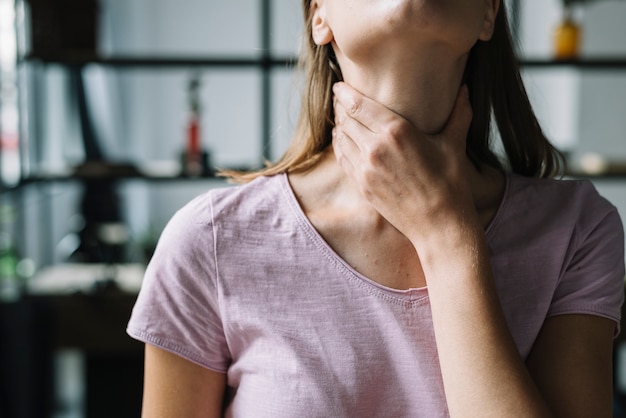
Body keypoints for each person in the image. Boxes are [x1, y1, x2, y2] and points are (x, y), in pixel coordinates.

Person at [127, 0, 625, 416]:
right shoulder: (209, 241)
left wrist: (447, 236)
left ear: (488, 15)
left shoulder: (577, 231)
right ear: (317, 15)